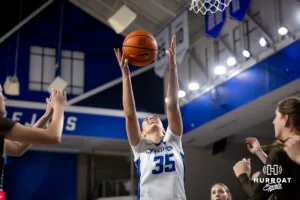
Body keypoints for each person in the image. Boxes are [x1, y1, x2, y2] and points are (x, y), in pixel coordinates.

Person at [114, 36, 186, 200]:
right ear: (143, 133)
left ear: (164, 128)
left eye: (155, 118)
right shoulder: (140, 147)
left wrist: (172, 67)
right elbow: (130, 115)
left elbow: (172, 104)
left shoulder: (173, 141)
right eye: (146, 120)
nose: (151, 118)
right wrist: (126, 75)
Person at [233, 97, 300, 200]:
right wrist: (259, 152)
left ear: (285, 119)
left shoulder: (280, 151)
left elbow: (257, 195)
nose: (273, 122)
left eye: (276, 116)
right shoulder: (290, 151)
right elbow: (283, 171)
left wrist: (243, 175)